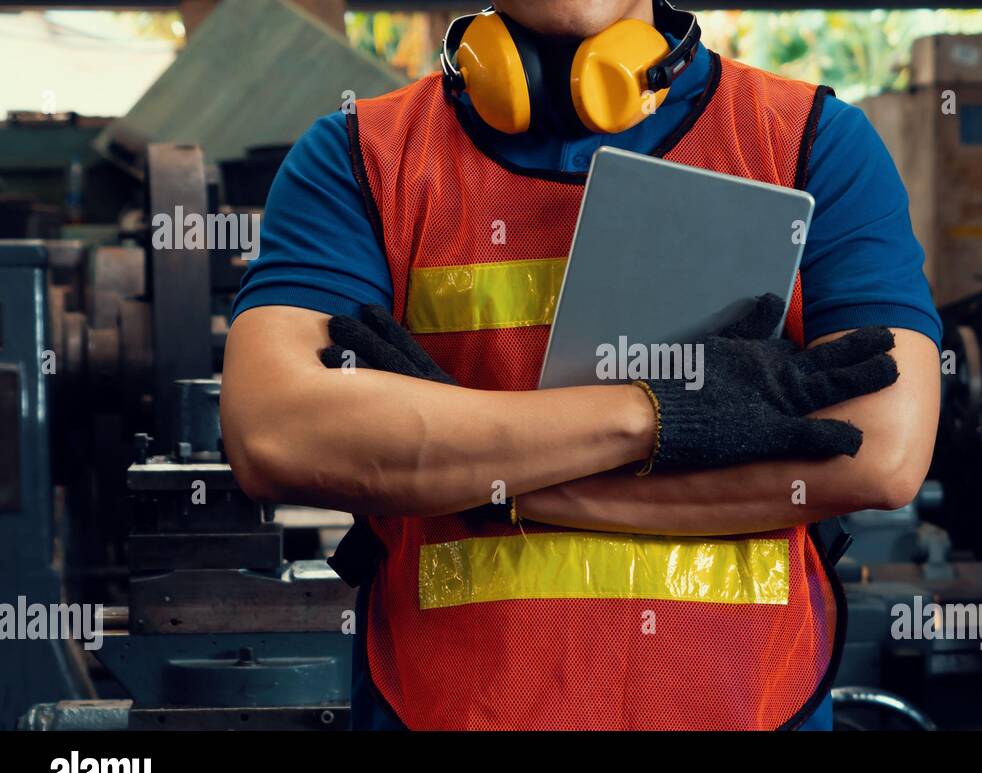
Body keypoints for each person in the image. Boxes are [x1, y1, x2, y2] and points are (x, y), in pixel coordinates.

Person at [220, 0, 941, 730]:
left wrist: (486, 485)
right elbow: (273, 433)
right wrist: (660, 414)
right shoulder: (359, 157)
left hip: (747, 708)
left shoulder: (809, 140)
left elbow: (879, 450)